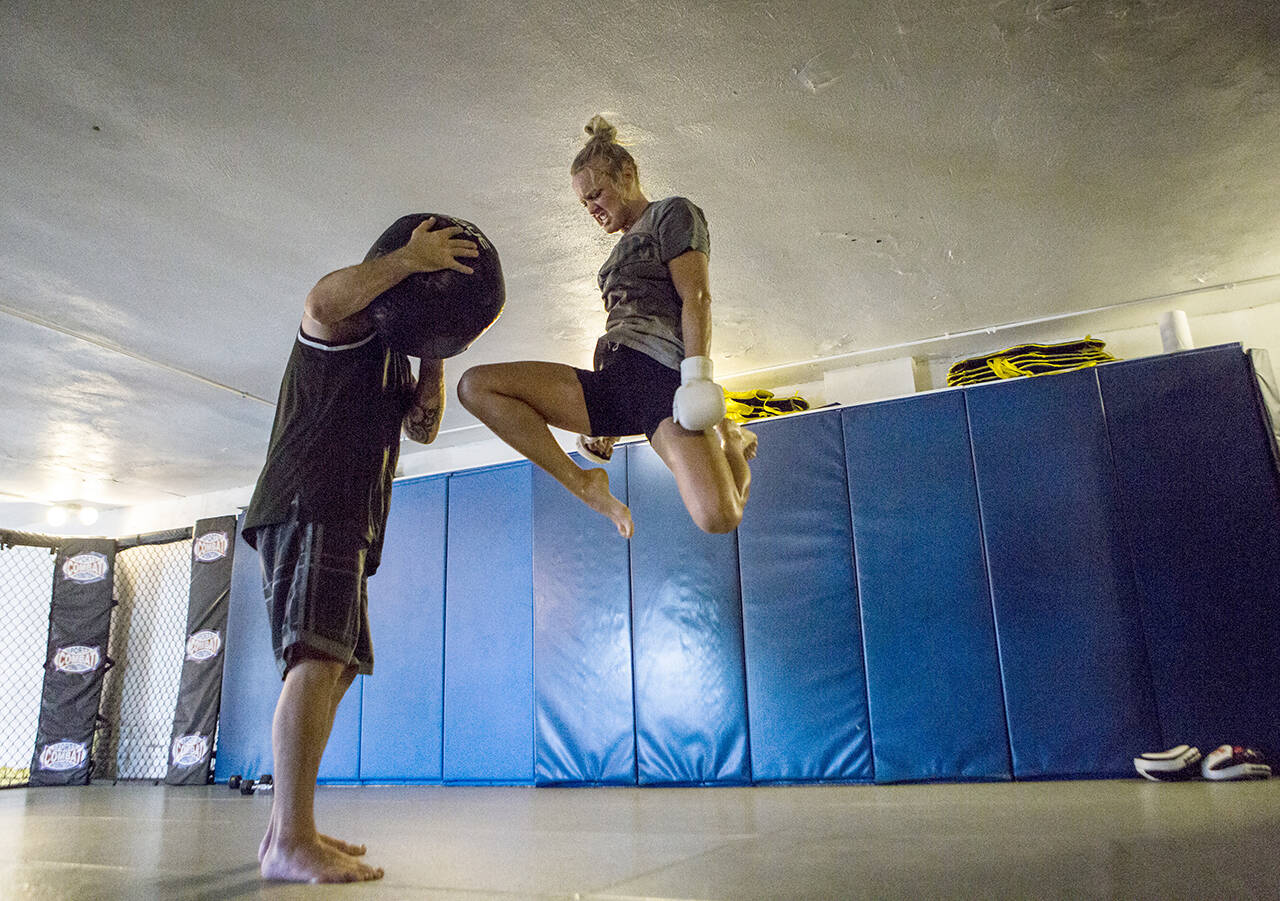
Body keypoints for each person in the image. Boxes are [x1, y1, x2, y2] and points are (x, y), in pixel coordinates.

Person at [241, 217, 478, 883]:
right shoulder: (346, 322)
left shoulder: (391, 355)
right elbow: (316, 302)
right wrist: (411, 258)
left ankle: (288, 830)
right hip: (311, 501)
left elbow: (424, 428)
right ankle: (290, 838)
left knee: (335, 665)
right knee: (316, 659)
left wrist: (433, 353)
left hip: (348, 518)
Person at [459, 116, 756, 538]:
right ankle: (583, 481)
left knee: (719, 517)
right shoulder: (611, 261)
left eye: (596, 194)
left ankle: (734, 443)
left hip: (662, 381)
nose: (592, 209)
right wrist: (608, 432)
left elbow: (697, 297)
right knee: (477, 386)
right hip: (613, 380)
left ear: (628, 175)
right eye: (584, 203)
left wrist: (697, 377)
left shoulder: (672, 214)